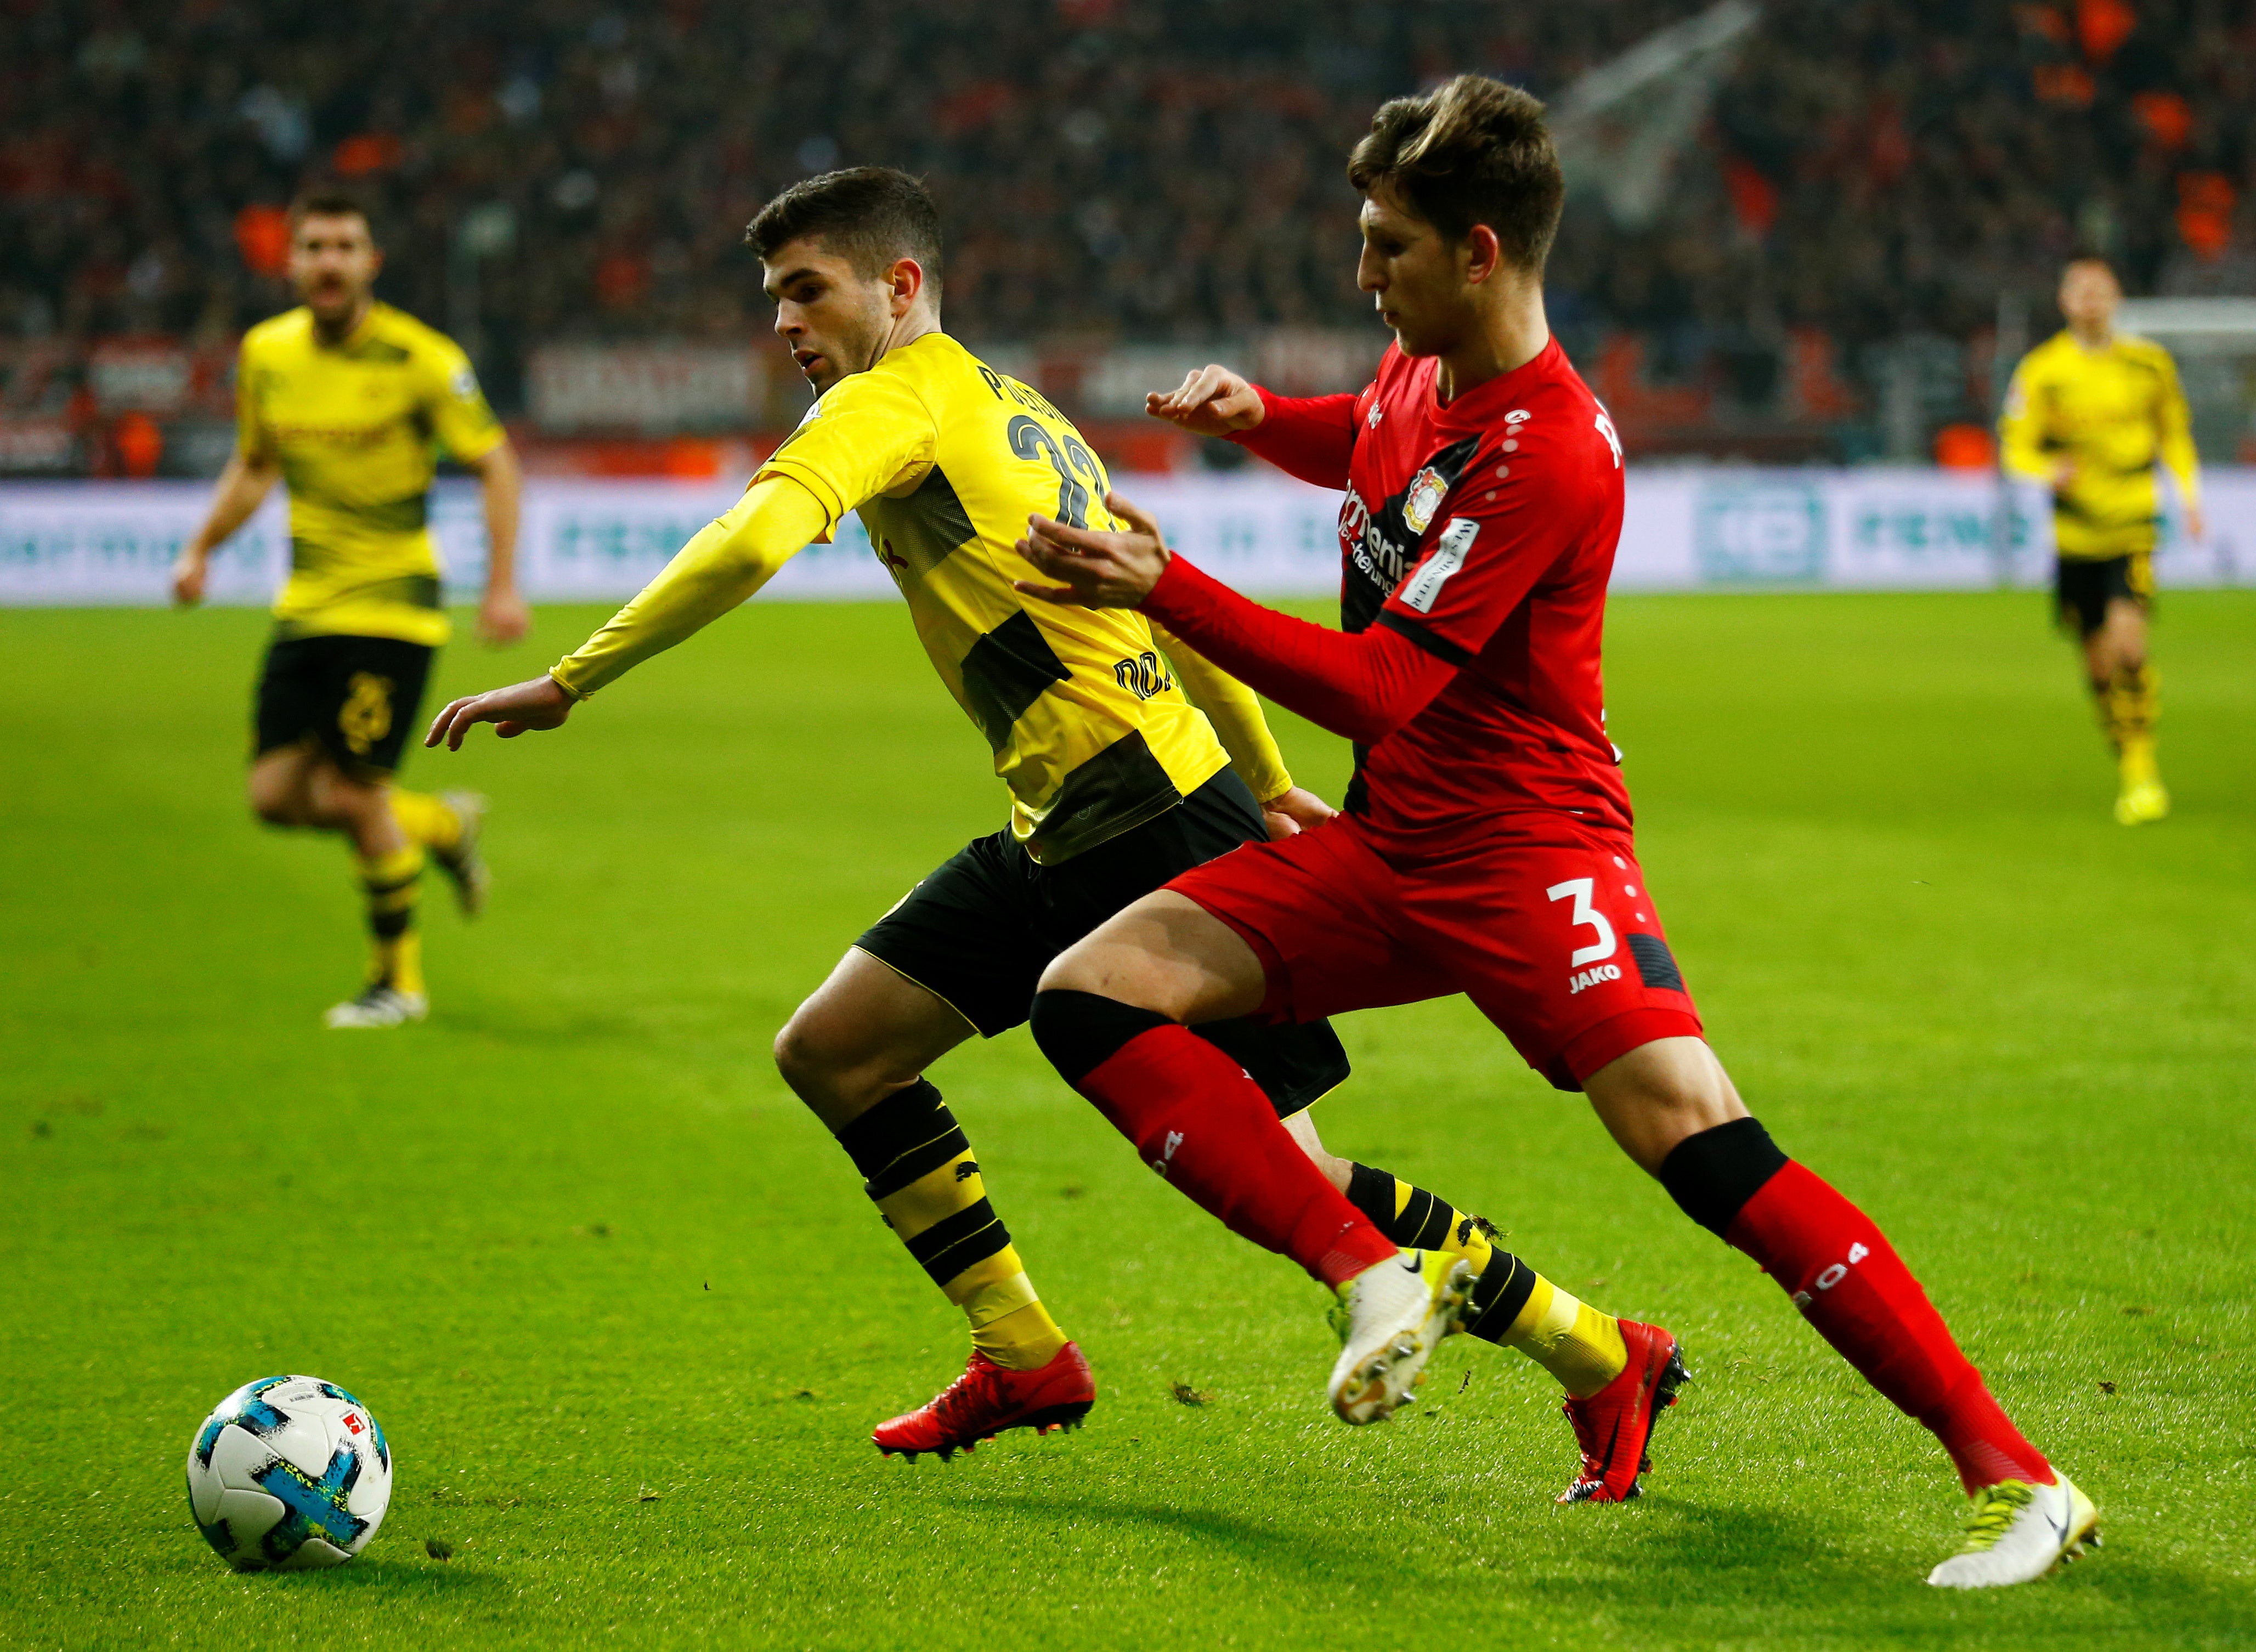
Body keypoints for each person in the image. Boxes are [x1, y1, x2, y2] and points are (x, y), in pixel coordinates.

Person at [425, 167, 1665, 1493]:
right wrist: (1262, 771)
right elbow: (1145, 594)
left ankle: (1595, 1350)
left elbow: (750, 541)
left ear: (899, 288)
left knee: (1291, 1178)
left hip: (1146, 816)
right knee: (839, 1051)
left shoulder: (888, 400)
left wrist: (570, 680)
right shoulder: (1009, 403)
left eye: (808, 289)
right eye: (773, 296)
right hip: (1078, 814)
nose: (784, 321)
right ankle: (1021, 1351)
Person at [1013, 75, 2094, 1588]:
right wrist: (1265, 421)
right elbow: (1367, 441)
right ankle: (1372, 1270)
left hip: (1532, 858)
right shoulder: (1419, 363)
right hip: (1393, 848)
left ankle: (2018, 1472)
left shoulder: (1552, 447)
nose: (1361, 273)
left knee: (1702, 1147)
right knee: (1091, 991)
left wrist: (1164, 584)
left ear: (1480, 250)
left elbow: (1387, 680)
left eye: (1385, 246)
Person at [171, 189, 527, 1028]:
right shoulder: (266, 353)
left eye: (345, 246)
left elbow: (496, 464)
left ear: (372, 263)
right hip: (307, 605)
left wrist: (502, 583)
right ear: (289, 262)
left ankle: (396, 983)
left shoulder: (421, 359)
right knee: (275, 796)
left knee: (358, 792)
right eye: (314, 247)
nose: (329, 261)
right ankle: (439, 827)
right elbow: (256, 464)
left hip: (393, 605)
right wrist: (201, 548)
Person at [2000, 257, 2202, 826]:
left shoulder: (2149, 365)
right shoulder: (2043, 370)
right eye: (2081, 292)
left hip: (2132, 526)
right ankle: (2128, 759)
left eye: (2101, 291)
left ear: (2116, 299)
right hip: (2075, 536)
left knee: (2130, 648)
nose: (2091, 301)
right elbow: (2016, 446)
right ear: (2065, 301)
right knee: (2097, 668)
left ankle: (2142, 772)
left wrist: (2190, 497)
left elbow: (2176, 433)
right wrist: (2046, 469)